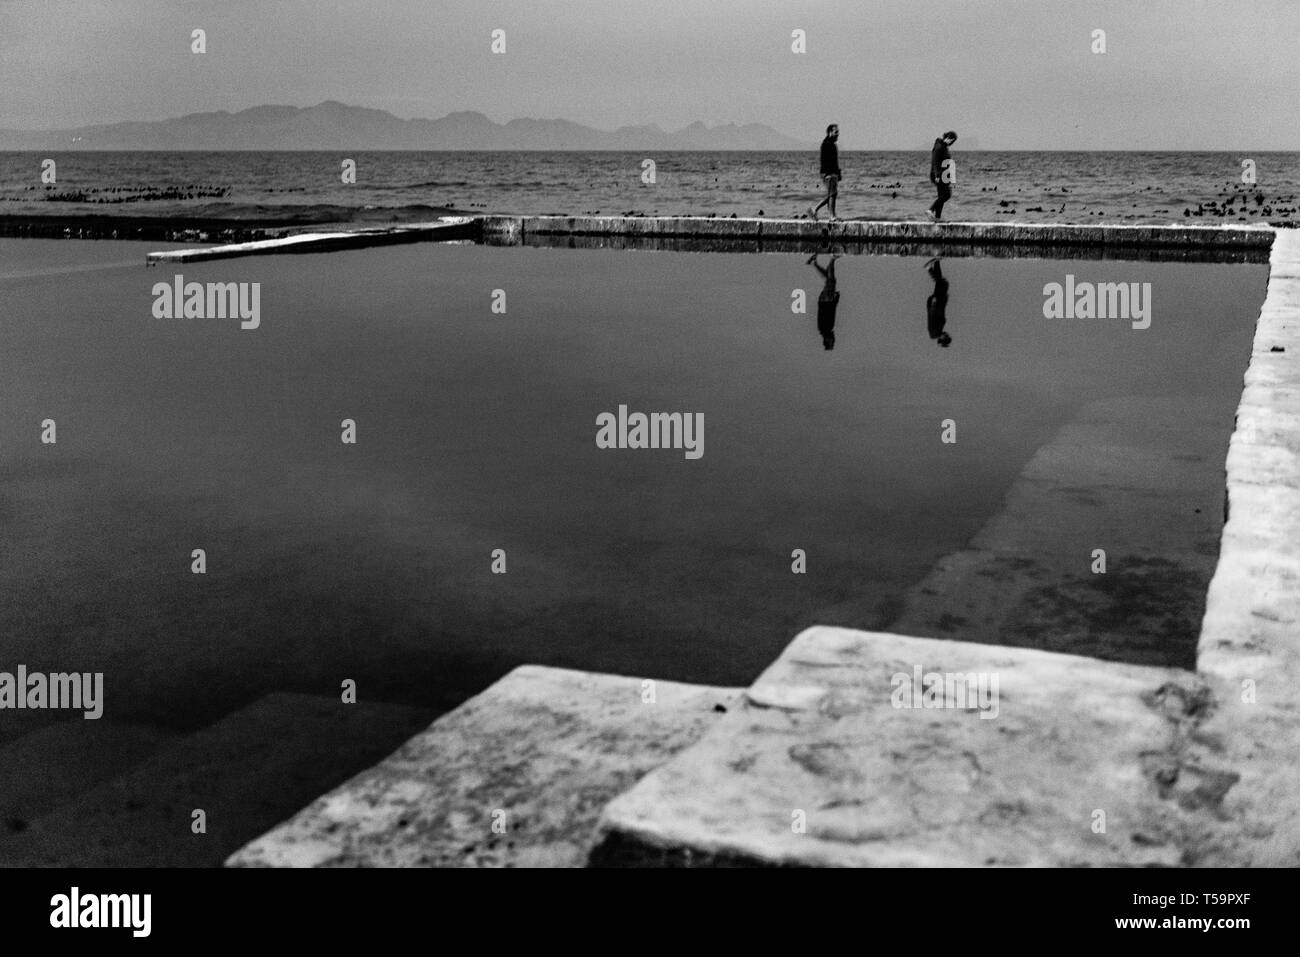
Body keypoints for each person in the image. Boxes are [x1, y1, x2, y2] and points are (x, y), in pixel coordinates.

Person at [808, 251, 841, 349]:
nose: (833, 340)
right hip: (825, 301)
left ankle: (832, 259)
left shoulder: (826, 329)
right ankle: (815, 263)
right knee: (829, 279)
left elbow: (828, 313)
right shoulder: (825, 329)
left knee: (831, 281)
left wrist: (834, 300)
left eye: (831, 342)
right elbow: (830, 313)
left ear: (826, 340)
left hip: (827, 302)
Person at [809, 124, 841, 222]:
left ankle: (831, 214)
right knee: (831, 195)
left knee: (832, 194)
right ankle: (825, 213)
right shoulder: (827, 144)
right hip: (828, 173)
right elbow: (826, 161)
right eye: (836, 132)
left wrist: (838, 173)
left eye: (838, 132)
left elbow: (835, 161)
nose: (837, 134)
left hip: (832, 173)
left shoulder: (832, 145)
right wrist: (829, 174)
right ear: (830, 132)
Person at [927, 131, 957, 221]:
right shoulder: (939, 146)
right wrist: (936, 175)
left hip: (943, 174)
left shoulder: (943, 147)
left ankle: (937, 217)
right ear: (948, 138)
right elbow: (935, 161)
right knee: (947, 194)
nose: (951, 143)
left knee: (942, 196)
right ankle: (931, 209)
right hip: (939, 174)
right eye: (951, 141)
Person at [925, 257, 952, 347]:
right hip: (939, 302)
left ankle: (929, 268)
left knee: (942, 283)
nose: (947, 334)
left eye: (946, 337)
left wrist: (933, 304)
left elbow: (932, 317)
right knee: (941, 282)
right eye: (948, 336)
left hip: (935, 303)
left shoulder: (934, 332)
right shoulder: (938, 330)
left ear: (941, 339)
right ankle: (937, 261)